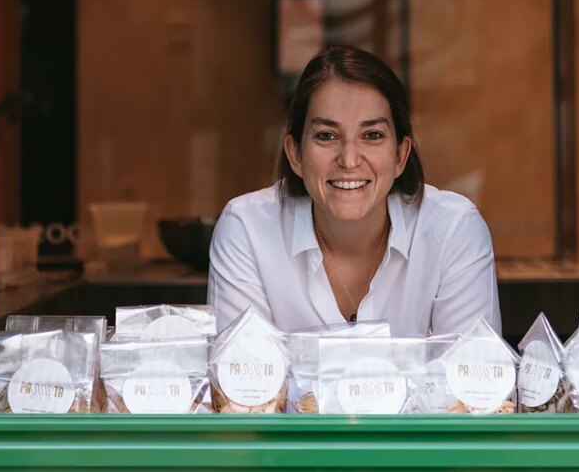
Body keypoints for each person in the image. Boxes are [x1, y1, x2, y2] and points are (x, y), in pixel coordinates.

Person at [207, 46, 500, 337]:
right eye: (326, 136)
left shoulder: (453, 231)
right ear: (295, 154)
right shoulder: (247, 229)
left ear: (400, 155)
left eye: (372, 135)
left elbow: (469, 378)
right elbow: (242, 379)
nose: (349, 160)